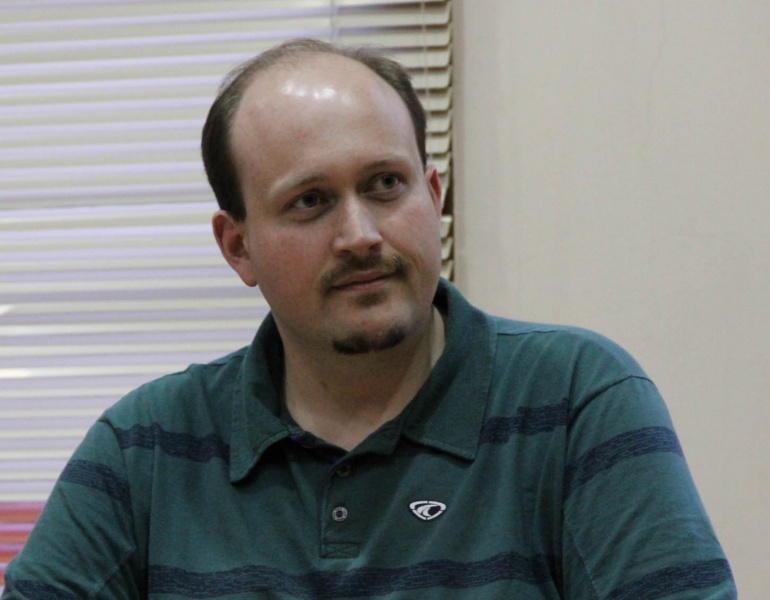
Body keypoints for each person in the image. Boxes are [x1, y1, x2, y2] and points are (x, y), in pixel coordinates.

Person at [2, 38, 736, 599]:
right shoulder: (144, 448)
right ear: (238, 247)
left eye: (386, 184)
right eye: (310, 201)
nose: (359, 235)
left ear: (433, 196)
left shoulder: (577, 400)